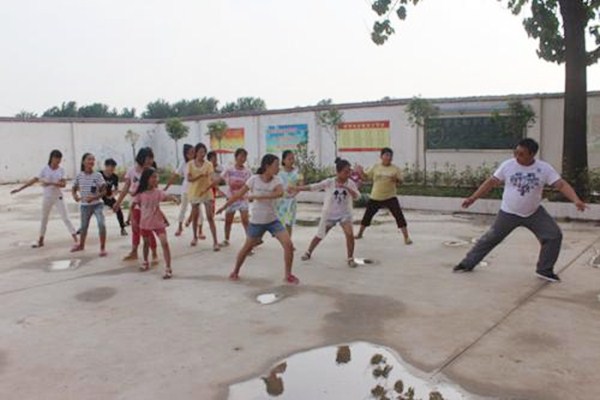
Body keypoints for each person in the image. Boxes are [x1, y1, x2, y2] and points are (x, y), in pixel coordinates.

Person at [453, 138, 586, 282]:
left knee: (553, 235)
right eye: (516, 153)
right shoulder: (508, 165)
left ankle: (545, 270)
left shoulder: (544, 168)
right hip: (508, 212)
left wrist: (576, 200)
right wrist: (473, 198)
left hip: (534, 212)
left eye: (521, 154)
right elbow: (491, 182)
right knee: (490, 238)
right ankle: (467, 263)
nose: (517, 156)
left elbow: (561, 185)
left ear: (532, 154)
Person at [216, 154, 298, 284]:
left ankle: (288, 275)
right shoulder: (254, 179)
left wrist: (258, 196)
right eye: (276, 165)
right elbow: (238, 195)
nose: (278, 168)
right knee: (246, 248)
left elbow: (279, 193)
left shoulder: (277, 180)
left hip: (273, 220)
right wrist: (224, 206)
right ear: (267, 166)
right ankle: (235, 271)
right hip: (257, 222)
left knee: (288, 245)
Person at [293, 158, 360, 267]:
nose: (348, 174)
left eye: (349, 171)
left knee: (350, 235)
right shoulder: (329, 182)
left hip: (345, 214)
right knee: (320, 234)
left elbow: (357, 196)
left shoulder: (350, 183)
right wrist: (298, 188)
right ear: (338, 172)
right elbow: (314, 187)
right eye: (345, 172)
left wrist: (347, 188)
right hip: (330, 214)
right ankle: (308, 251)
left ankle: (350, 258)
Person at [10, 149, 78, 248]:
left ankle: (76, 239)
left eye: (59, 160)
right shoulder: (44, 169)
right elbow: (34, 180)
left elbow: (63, 184)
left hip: (58, 197)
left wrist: (50, 183)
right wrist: (20, 189)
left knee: (66, 218)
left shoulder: (61, 170)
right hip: (47, 198)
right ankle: (41, 240)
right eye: (56, 160)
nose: (58, 162)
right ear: (52, 158)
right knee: (44, 219)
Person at [355, 147, 412, 245]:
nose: (388, 157)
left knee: (399, 216)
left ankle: (406, 237)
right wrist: (360, 172)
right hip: (376, 197)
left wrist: (396, 180)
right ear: (381, 157)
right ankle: (360, 233)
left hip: (390, 197)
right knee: (367, 216)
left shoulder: (395, 169)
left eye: (390, 156)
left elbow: (401, 182)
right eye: (386, 155)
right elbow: (366, 177)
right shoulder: (375, 167)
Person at [114, 147, 158, 262]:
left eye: (151, 158)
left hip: (147, 206)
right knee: (135, 229)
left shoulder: (151, 171)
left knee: (148, 230)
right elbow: (125, 188)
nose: (150, 161)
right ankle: (134, 252)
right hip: (135, 205)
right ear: (141, 158)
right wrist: (118, 203)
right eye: (148, 158)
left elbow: (155, 189)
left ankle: (154, 253)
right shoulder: (131, 171)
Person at [134, 168, 180, 279]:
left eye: (156, 177)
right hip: (145, 223)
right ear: (146, 179)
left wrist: (174, 198)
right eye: (153, 177)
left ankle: (168, 268)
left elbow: (166, 196)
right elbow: (134, 205)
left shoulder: (158, 192)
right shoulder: (140, 194)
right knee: (146, 243)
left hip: (157, 222)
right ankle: (145, 261)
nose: (156, 179)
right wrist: (133, 220)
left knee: (164, 242)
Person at [71, 153, 107, 256]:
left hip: (97, 205)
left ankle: (102, 248)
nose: (91, 162)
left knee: (101, 224)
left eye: (93, 160)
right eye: (89, 159)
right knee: (84, 226)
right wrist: (75, 196)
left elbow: (104, 191)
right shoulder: (79, 176)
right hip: (84, 206)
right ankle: (81, 245)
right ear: (83, 162)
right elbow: (73, 188)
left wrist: (94, 197)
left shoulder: (98, 175)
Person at [188, 143, 219, 250]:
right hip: (195, 192)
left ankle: (215, 241)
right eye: (200, 152)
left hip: (206, 192)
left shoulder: (209, 164)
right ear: (196, 152)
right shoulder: (191, 164)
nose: (202, 154)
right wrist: (200, 176)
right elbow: (189, 179)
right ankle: (194, 237)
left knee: (210, 217)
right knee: (195, 217)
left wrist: (214, 181)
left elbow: (212, 177)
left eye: (204, 152)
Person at [219, 148, 252, 247]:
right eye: (241, 156)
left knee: (245, 220)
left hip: (243, 199)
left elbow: (251, 184)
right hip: (231, 198)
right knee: (228, 220)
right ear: (236, 157)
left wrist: (252, 195)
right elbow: (220, 178)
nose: (243, 158)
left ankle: (250, 242)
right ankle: (226, 239)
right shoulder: (229, 169)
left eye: (244, 156)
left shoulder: (248, 171)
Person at [164, 144, 195, 237]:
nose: (193, 154)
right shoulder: (183, 163)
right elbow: (175, 175)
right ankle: (180, 226)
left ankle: (193, 223)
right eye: (191, 152)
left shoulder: (197, 162)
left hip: (196, 189)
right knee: (183, 208)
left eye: (194, 152)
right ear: (186, 154)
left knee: (197, 209)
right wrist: (167, 187)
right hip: (186, 189)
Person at [276, 150, 303, 237]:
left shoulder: (298, 171)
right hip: (280, 200)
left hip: (291, 201)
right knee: (280, 222)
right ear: (283, 160)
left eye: (293, 158)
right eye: (289, 159)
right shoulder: (278, 172)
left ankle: (288, 242)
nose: (292, 161)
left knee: (289, 222)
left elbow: (301, 184)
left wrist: (294, 193)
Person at [100, 158, 127, 236]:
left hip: (108, 196)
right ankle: (82, 228)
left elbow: (116, 189)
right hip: (98, 196)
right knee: (89, 210)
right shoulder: (99, 174)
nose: (112, 169)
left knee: (117, 208)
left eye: (113, 167)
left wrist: (112, 195)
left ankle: (122, 228)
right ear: (106, 166)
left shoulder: (114, 177)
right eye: (110, 167)